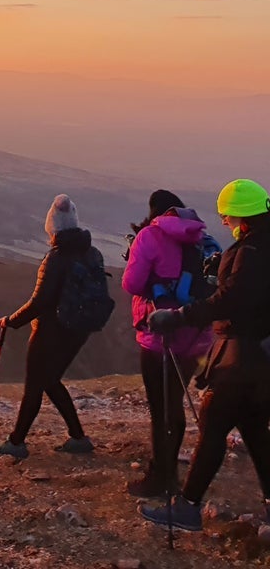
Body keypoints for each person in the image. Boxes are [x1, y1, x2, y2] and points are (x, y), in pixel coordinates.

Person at [142, 178, 270, 532]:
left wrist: (181, 315)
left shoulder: (252, 252)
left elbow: (232, 300)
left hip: (241, 356)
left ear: (242, 217)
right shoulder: (262, 247)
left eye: (228, 217)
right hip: (262, 359)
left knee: (213, 425)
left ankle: (187, 507)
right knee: (256, 430)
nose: (226, 223)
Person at [121, 189, 215, 498]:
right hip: (196, 333)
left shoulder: (150, 236)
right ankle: (168, 472)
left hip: (160, 335)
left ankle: (161, 477)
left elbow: (131, 284)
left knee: (161, 408)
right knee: (173, 401)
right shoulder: (199, 236)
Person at [0, 194, 99, 459]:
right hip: (78, 330)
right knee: (50, 380)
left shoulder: (56, 258)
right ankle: (78, 438)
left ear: (52, 226)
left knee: (35, 386)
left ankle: (16, 443)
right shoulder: (92, 253)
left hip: (50, 331)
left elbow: (39, 302)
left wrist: (10, 321)